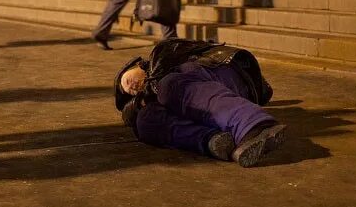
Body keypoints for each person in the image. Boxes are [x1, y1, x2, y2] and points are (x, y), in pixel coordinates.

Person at [113, 39, 286, 167]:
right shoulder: (154, 96)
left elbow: (173, 58)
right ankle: (212, 140)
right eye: (132, 92)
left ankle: (253, 124)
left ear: (136, 65)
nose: (133, 86)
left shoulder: (162, 52)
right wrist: (141, 106)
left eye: (127, 81)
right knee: (145, 121)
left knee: (169, 85)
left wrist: (153, 85)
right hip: (201, 106)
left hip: (224, 74)